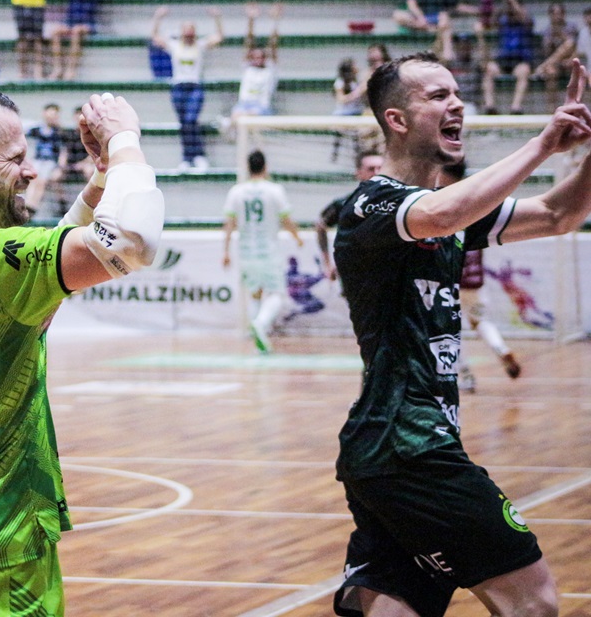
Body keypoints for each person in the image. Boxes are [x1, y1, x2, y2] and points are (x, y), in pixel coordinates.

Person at [332, 52, 591, 617]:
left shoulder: (442, 212)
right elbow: (441, 216)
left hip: (391, 449)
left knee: (389, 609)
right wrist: (545, 143)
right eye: (437, 96)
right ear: (396, 119)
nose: (457, 103)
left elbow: (556, 214)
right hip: (410, 447)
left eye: (457, 93)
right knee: (536, 601)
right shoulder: (372, 205)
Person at [0, 88, 164, 617]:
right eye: (15, 159)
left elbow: (40, 278)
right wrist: (126, 140)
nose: (31, 171)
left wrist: (103, 175)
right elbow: (131, 241)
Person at [437, 160, 522, 393]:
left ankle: (465, 376)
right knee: (481, 321)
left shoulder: (439, 200)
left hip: (450, 278)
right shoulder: (473, 198)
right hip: (475, 279)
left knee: (445, 330)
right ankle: (500, 349)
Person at [221, 149, 303, 354]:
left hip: (246, 250)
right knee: (276, 293)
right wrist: (297, 237)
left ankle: (258, 337)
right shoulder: (275, 190)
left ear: (248, 168)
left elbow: (229, 223)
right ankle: (261, 324)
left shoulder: (236, 191)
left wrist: (226, 251)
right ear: (265, 167)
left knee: (255, 293)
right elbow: (286, 219)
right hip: (268, 251)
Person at [151, 5, 224, 172]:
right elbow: (155, 37)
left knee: (191, 120)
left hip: (195, 87)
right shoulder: (174, 45)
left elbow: (219, 37)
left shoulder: (200, 45)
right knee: (184, 124)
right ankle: (187, 158)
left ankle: (198, 156)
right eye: (186, 29)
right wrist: (158, 18)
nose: (189, 32)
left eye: (191, 29)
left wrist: (217, 18)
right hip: (178, 87)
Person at [315, 149, 384, 280]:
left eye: (380, 168)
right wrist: (327, 263)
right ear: (358, 173)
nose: (376, 173)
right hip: (355, 273)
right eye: (371, 169)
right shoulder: (345, 204)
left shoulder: (397, 202)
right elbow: (321, 225)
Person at [483, 0, 536, 115]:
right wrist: (504, 0)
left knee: (524, 72)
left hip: (520, 60)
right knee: (489, 69)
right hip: (504, 59)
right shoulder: (503, 21)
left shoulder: (526, 22)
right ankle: (490, 107)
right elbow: (492, 21)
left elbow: (523, 16)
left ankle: (515, 108)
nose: (511, 9)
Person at [232, 3, 282, 119]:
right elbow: (248, 41)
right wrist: (251, 19)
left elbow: (273, 43)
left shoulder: (270, 69)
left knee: (250, 115)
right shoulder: (247, 68)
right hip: (244, 105)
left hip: (261, 107)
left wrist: (275, 21)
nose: (258, 59)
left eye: (261, 57)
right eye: (255, 57)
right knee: (236, 115)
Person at [533, 2, 579, 108]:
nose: (557, 16)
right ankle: (551, 109)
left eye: (560, 13)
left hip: (570, 62)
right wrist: (550, 41)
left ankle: (542, 67)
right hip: (555, 64)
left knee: (569, 43)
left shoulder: (571, 27)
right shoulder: (547, 31)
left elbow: (575, 48)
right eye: (555, 13)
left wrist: (561, 34)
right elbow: (546, 52)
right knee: (550, 72)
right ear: (550, 15)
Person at [23, 102, 66, 215]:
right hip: (38, 160)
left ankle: (33, 206)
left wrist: (60, 167)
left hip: (50, 162)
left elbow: (62, 151)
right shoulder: (36, 129)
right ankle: (28, 204)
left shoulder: (59, 132)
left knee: (41, 181)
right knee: (34, 179)